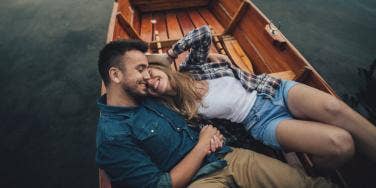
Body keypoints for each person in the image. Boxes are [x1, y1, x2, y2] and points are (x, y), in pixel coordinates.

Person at [95, 39, 335, 187]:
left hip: (228, 156)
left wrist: (212, 135)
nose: (147, 76)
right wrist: (202, 144)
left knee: (306, 184)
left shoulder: (148, 92)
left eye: (147, 69)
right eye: (140, 69)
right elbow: (159, 185)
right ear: (115, 75)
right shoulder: (112, 137)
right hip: (199, 181)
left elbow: (177, 84)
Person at [146, 25, 376, 168]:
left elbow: (204, 32)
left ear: (159, 68)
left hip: (273, 89)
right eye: (144, 86)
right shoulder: (177, 111)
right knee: (341, 145)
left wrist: (169, 55)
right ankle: (315, 172)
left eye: (148, 72)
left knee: (335, 108)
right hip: (261, 121)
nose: (150, 81)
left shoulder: (190, 68)